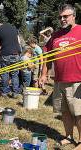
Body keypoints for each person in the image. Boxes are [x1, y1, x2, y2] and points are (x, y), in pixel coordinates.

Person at [39, 4, 81, 150]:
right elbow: (48, 57)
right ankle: (69, 136)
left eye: (66, 16)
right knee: (64, 111)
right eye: (60, 17)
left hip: (77, 80)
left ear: (73, 16)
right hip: (59, 80)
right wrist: (44, 74)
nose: (62, 19)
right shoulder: (55, 35)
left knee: (79, 112)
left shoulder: (80, 31)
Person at [0, 22, 21, 98]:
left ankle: (5, 92)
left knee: (5, 73)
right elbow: (18, 42)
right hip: (16, 53)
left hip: (5, 54)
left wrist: (1, 50)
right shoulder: (14, 28)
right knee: (15, 74)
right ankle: (15, 92)